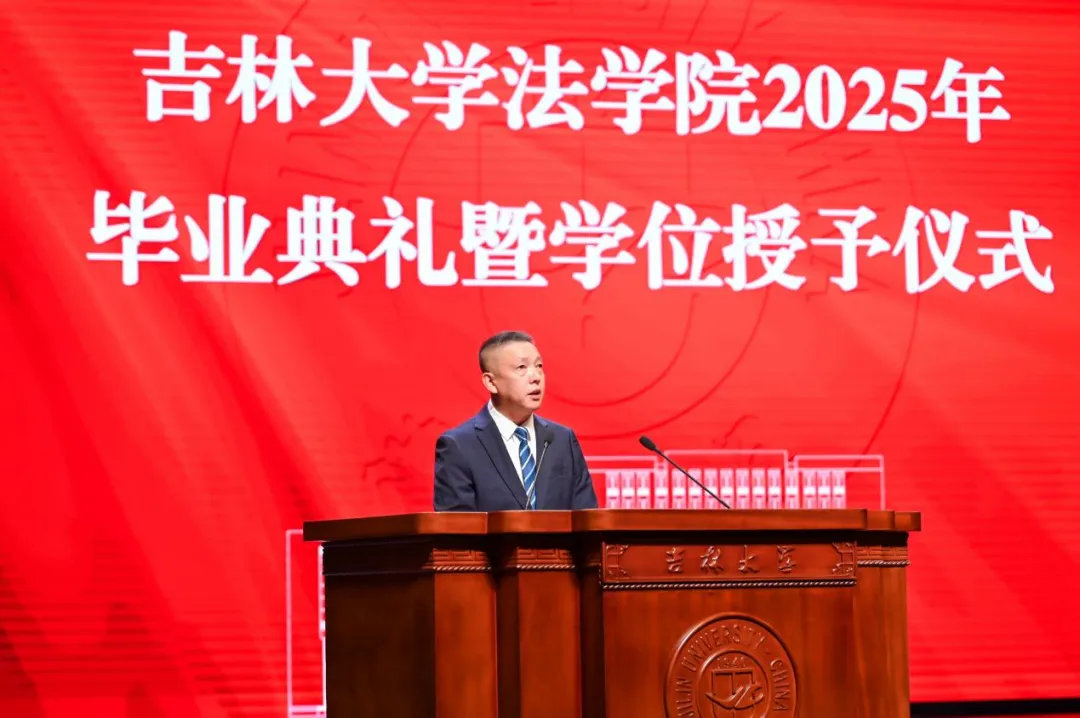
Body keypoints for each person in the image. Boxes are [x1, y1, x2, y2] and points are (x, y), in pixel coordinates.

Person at [433, 331, 599, 511]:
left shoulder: (561, 439)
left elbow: (587, 517)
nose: (536, 377)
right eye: (521, 367)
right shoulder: (459, 445)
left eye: (539, 366)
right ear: (491, 382)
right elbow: (456, 525)